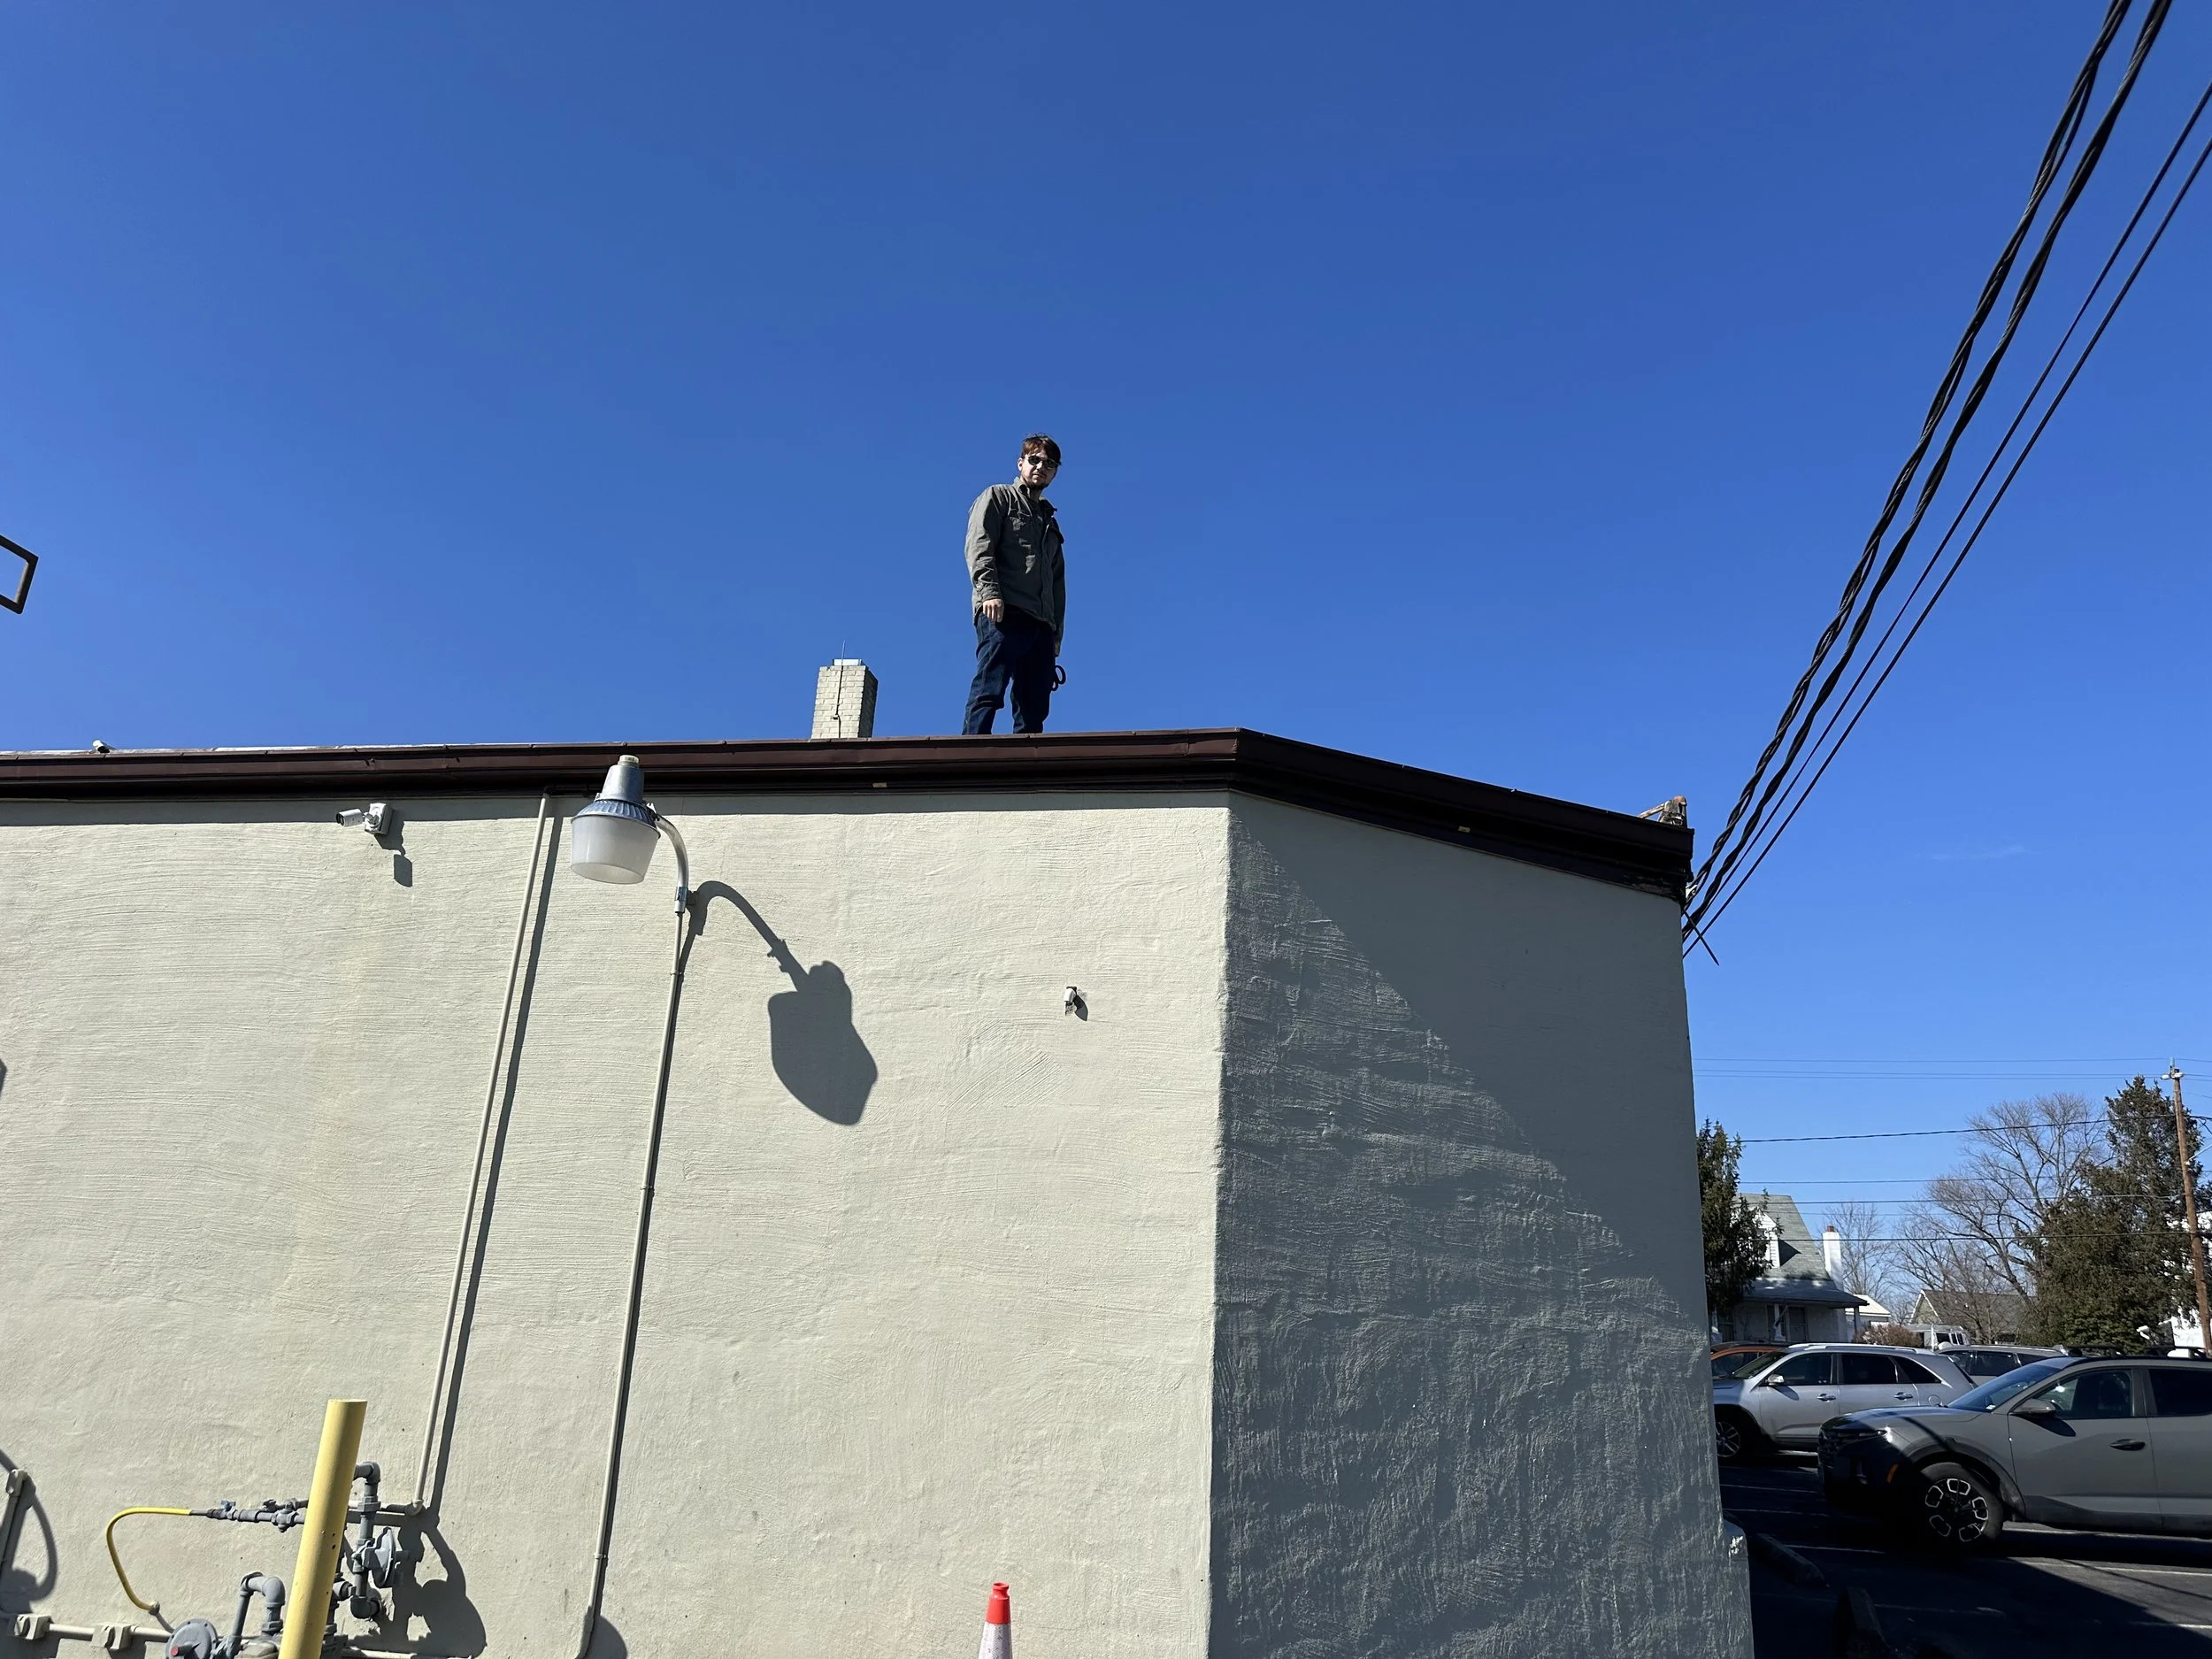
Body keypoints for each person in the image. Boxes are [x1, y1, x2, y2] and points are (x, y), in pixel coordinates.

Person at [962, 434, 1066, 733]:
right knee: (989, 687)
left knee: (1034, 704)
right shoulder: (998, 497)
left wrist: (1056, 632)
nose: (1040, 467)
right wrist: (989, 593)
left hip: (1042, 623)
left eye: (1049, 463)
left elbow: (1057, 583)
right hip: (1004, 611)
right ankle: (969, 757)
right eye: (1034, 460)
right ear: (1021, 463)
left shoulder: (1051, 523)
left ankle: (1026, 771)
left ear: (1055, 472)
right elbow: (979, 546)